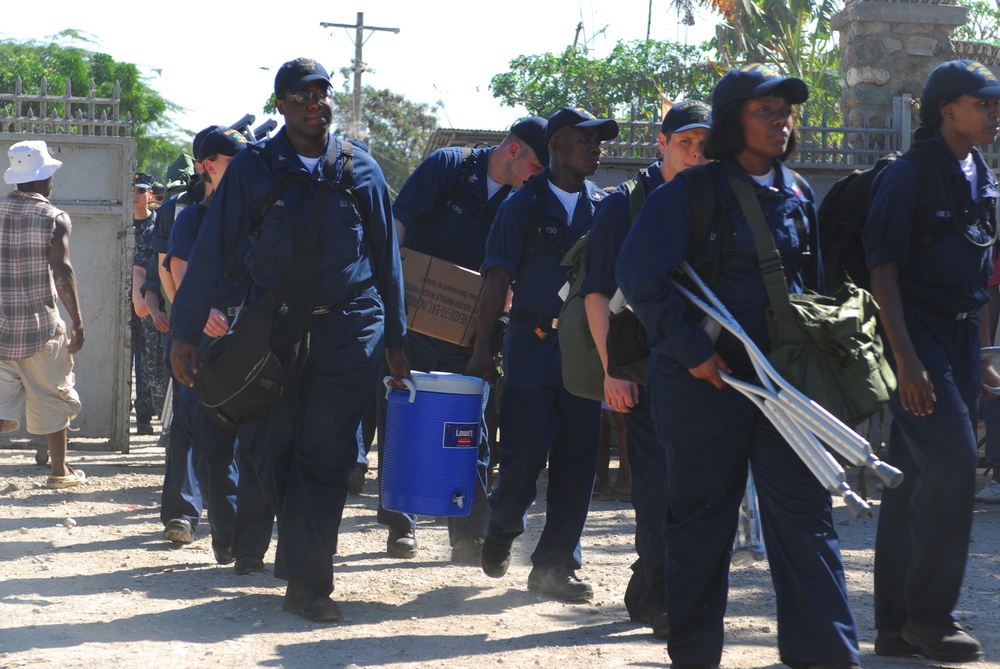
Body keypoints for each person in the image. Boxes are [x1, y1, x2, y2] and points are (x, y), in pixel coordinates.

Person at [616, 65, 861, 669]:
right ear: (731, 122)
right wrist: (694, 353)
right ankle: (694, 657)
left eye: (786, 110)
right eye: (764, 110)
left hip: (783, 390)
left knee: (806, 522)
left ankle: (829, 657)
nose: (781, 120)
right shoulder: (690, 193)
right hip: (705, 385)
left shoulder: (800, 193)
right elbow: (638, 278)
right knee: (701, 525)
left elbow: (812, 288)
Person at [169, 57, 409, 622]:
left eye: (321, 92)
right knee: (268, 448)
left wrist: (396, 338)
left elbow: (387, 258)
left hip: (352, 327)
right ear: (279, 103)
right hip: (274, 328)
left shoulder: (364, 170)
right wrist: (185, 330)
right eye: (301, 94)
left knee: (325, 454)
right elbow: (211, 250)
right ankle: (299, 549)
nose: (313, 101)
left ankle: (308, 581)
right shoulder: (254, 168)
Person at [866, 59, 1000, 663]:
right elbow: (883, 272)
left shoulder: (981, 171)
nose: (995, 114)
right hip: (914, 336)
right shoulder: (909, 173)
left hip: (960, 341)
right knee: (951, 460)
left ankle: (895, 627)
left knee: (912, 475)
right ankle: (930, 617)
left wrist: (980, 354)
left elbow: (977, 272)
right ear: (948, 108)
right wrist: (907, 360)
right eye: (984, 104)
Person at [380, 115, 548, 563]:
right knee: (405, 418)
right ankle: (401, 526)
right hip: (412, 319)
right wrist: (393, 294)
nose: (540, 174)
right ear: (514, 151)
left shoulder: (525, 199)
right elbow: (398, 226)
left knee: (466, 428)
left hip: (470, 329)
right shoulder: (449, 167)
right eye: (536, 163)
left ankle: (468, 536)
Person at [466, 106, 618, 602]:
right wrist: (482, 350)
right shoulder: (522, 207)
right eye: (585, 139)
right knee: (524, 458)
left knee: (577, 463)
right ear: (554, 145)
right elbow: (495, 282)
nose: (596, 148)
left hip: (582, 355)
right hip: (530, 348)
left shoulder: (605, 209)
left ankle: (555, 566)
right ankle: (501, 528)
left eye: (600, 141)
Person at [581, 99, 711, 638]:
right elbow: (596, 294)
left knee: (698, 488)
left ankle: (656, 587)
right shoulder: (624, 206)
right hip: (643, 366)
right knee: (658, 488)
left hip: (706, 366)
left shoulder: (718, 199)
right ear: (661, 143)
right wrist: (612, 371)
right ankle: (660, 597)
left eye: (705, 144)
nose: (697, 153)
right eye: (685, 143)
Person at [158, 126, 249, 556]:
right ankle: (184, 513)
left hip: (251, 336)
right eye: (232, 162)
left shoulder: (258, 214)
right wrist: (201, 313)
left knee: (250, 437)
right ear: (206, 166)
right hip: (204, 338)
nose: (242, 170)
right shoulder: (193, 216)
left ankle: (240, 534)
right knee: (193, 430)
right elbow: (179, 272)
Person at [0, 140, 85, 488]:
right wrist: (78, 322)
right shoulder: (54, 218)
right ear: (45, 176)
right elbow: (62, 272)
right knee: (54, 395)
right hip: (40, 329)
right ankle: (59, 472)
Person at [130, 172, 167, 435]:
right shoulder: (121, 223)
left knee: (148, 358)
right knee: (123, 357)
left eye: (141, 191)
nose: (136, 196)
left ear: (149, 195)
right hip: (121, 300)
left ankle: (145, 412)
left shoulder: (157, 225)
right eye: (132, 190)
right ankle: (119, 414)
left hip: (146, 299)